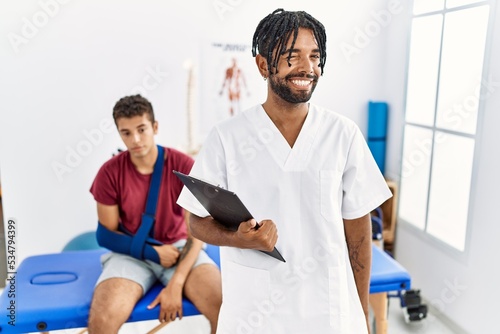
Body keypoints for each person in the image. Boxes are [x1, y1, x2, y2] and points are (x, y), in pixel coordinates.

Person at [176, 8, 392, 333]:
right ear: (263, 64)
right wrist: (237, 238)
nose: (308, 67)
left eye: (315, 57)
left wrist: (361, 313)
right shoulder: (227, 137)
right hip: (257, 313)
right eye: (293, 56)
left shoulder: (342, 134)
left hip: (329, 312)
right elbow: (196, 223)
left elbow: (358, 233)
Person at [88, 95, 222, 334]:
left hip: (180, 249)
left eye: (141, 129)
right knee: (102, 320)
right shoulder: (109, 173)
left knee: (225, 309)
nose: (135, 139)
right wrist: (151, 252)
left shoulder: (182, 165)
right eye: (126, 133)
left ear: (155, 127)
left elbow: (198, 231)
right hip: (130, 254)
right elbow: (106, 236)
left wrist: (176, 284)